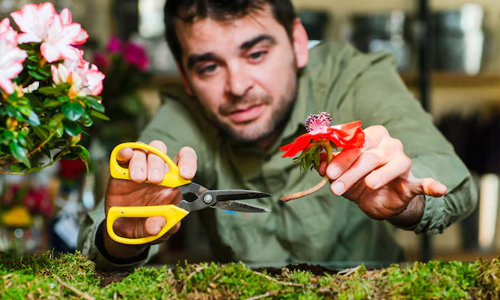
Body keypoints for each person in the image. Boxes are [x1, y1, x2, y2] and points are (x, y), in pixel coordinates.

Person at [78, 0, 477, 270]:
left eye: (256, 54)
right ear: (185, 78)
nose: (237, 86)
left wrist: (405, 199)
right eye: (209, 67)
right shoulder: (184, 114)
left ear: (298, 44)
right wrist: (124, 239)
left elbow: (452, 180)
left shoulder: (354, 76)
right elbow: (106, 221)